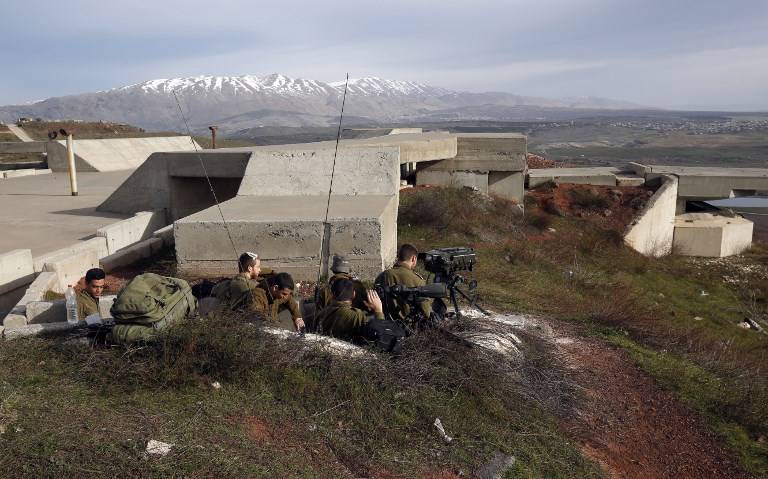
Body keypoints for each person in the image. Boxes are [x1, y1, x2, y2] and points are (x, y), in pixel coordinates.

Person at [374, 243, 431, 321]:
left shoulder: (381, 277)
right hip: (408, 327)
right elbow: (426, 312)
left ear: (398, 257)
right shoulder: (417, 280)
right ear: (414, 258)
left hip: (385, 326)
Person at [317, 278, 383, 339]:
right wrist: (378, 311)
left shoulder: (322, 313)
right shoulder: (355, 316)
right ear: (354, 294)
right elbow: (378, 336)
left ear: (332, 294)